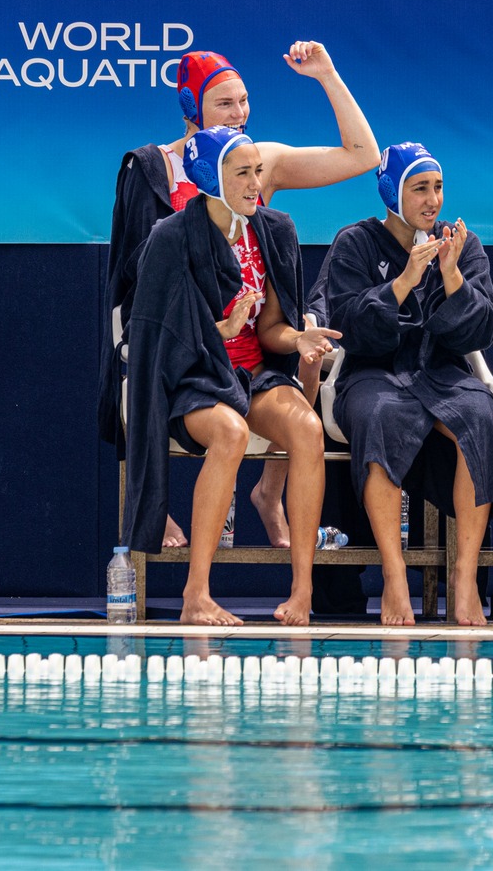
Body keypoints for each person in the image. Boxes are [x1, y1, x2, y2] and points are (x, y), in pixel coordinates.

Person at [101, 42, 378, 549]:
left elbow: (364, 156)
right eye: (224, 104)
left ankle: (270, 494)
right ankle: (155, 506)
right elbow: (137, 283)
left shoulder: (258, 162)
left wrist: (327, 75)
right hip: (187, 342)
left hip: (252, 340)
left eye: (244, 101)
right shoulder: (155, 170)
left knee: (308, 354)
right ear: (191, 107)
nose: (239, 114)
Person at [125, 126, 335, 626]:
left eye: (258, 172)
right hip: (193, 377)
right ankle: (196, 594)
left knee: (308, 428)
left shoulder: (274, 230)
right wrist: (221, 328)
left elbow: (272, 328)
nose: (254, 184)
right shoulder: (171, 237)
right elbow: (159, 341)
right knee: (230, 431)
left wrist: (298, 340)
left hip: (253, 373)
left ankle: (303, 591)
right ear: (208, 176)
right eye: (242, 173)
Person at [309, 143, 493, 626]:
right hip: (372, 373)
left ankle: (464, 580)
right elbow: (347, 325)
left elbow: (483, 329)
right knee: (379, 417)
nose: (433, 199)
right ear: (391, 191)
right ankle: (395, 578)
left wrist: (451, 276)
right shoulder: (354, 243)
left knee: (481, 417)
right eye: (420, 188)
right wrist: (404, 280)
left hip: (440, 372)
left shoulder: (461, 243)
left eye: (438, 187)